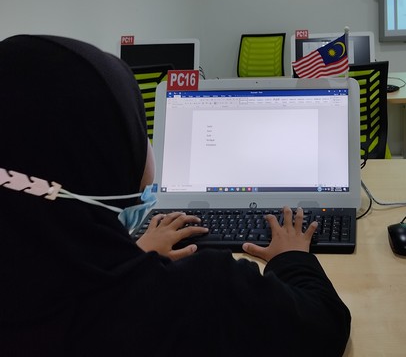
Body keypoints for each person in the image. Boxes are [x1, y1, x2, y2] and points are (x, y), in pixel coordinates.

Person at [0, 35, 351, 356]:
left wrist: (130, 258)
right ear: (107, 154)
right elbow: (324, 327)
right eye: (138, 129)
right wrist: (293, 257)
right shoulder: (200, 295)